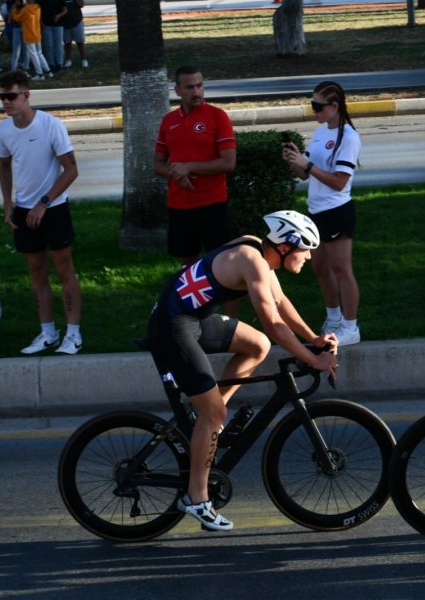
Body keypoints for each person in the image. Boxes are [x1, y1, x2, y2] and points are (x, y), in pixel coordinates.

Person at [147, 210, 338, 531]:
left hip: (191, 317)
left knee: (257, 346)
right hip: (173, 327)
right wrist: (313, 357)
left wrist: (314, 339)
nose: (308, 257)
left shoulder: (259, 253)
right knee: (215, 414)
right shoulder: (253, 262)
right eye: (305, 249)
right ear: (286, 247)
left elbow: (280, 303)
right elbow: (275, 325)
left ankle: (206, 416)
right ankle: (196, 498)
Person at [0, 69, 83, 355]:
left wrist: (44, 203)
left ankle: (73, 334)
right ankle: (47, 333)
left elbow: (71, 170)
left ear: (26, 95)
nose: (7, 102)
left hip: (53, 208)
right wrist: (9, 204)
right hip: (24, 210)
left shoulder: (50, 125)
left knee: (64, 270)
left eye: (11, 96)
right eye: (2, 97)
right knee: (36, 272)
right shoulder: (4, 129)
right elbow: (5, 166)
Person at [282, 81, 362, 346]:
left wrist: (309, 165)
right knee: (320, 268)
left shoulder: (348, 137)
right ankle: (334, 318)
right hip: (316, 211)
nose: (314, 110)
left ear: (334, 107)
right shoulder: (320, 132)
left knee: (342, 269)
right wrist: (295, 161)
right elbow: (305, 172)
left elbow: (339, 181)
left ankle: (351, 327)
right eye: (312, 105)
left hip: (337, 210)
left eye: (318, 106)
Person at [153, 65, 237, 266]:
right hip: (179, 206)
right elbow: (157, 164)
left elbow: (228, 162)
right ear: (178, 90)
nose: (196, 92)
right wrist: (176, 173)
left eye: (200, 86)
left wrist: (188, 167)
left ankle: (224, 299)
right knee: (188, 267)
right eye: (190, 87)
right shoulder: (169, 121)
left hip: (213, 204)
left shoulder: (217, 116)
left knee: (223, 265)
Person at [10, 0, 53, 80]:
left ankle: (40, 74)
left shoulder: (26, 9)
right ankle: (48, 71)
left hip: (29, 35)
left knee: (33, 55)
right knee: (40, 53)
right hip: (37, 34)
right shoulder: (38, 7)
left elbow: (17, 18)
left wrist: (14, 9)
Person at [39, 0, 66, 73]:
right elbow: (39, 12)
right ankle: (50, 63)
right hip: (46, 24)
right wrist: (41, 24)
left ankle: (59, 63)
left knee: (58, 44)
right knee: (48, 45)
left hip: (58, 24)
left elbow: (65, 10)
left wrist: (58, 15)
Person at [61, 0, 88, 68]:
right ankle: (68, 60)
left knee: (80, 42)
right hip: (65, 23)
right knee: (67, 42)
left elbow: (81, 4)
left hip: (77, 21)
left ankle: (84, 60)